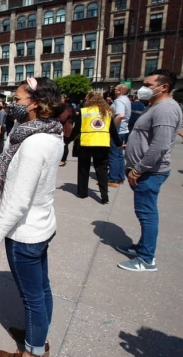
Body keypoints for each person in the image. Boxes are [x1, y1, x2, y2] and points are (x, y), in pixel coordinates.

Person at [0, 77, 64, 357]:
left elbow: (19, 200)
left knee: (33, 297)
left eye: (18, 100)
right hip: (42, 224)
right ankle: (37, 337)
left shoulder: (33, 144)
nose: (13, 105)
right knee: (41, 289)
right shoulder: (51, 133)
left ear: (35, 103)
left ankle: (32, 352)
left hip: (25, 232)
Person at [117, 69, 183, 272]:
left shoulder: (166, 109)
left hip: (150, 172)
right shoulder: (154, 106)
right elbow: (149, 137)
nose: (143, 88)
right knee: (144, 212)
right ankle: (142, 247)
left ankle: (146, 259)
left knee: (147, 214)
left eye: (148, 84)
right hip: (145, 170)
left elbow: (160, 145)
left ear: (164, 87)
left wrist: (138, 169)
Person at [74, 92, 122, 204]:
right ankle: (104, 196)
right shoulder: (107, 112)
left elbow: (76, 129)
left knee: (83, 169)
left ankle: (82, 192)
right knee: (102, 170)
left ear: (89, 100)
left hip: (86, 143)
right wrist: (119, 143)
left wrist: (66, 141)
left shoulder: (83, 111)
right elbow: (113, 130)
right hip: (102, 143)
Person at [108, 84, 131, 186]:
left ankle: (112, 179)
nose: (114, 90)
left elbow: (120, 115)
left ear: (120, 91)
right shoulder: (126, 100)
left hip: (117, 131)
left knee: (113, 155)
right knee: (119, 155)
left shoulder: (119, 101)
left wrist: (110, 127)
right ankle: (120, 177)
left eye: (116, 89)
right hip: (124, 130)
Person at [58, 97, 75, 167]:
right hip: (67, 127)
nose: (60, 99)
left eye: (62, 98)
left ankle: (63, 160)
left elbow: (62, 118)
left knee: (64, 144)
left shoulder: (66, 108)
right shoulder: (68, 108)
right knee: (63, 144)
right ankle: (62, 159)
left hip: (66, 129)